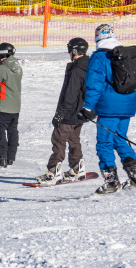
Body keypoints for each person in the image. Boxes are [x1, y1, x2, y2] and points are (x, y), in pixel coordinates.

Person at [79, 24, 136, 193]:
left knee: (104, 143)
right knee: (119, 139)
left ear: (97, 38)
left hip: (109, 107)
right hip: (127, 105)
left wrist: (87, 107)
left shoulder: (99, 57)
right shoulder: (125, 55)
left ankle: (111, 182)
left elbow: (95, 85)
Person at [35, 37, 90, 186]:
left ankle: (54, 173)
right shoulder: (88, 66)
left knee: (58, 139)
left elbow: (70, 94)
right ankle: (77, 169)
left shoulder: (77, 69)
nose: (69, 53)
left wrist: (61, 113)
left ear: (75, 51)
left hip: (70, 112)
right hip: (80, 112)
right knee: (74, 140)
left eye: (70, 50)